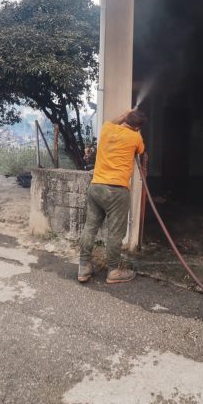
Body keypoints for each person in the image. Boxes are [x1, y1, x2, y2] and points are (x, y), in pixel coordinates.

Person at [78, 109, 147, 284]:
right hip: (117, 191)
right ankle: (114, 271)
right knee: (116, 233)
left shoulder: (107, 128)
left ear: (125, 118)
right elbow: (142, 152)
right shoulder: (136, 137)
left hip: (96, 187)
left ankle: (83, 266)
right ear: (138, 127)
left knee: (90, 227)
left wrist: (125, 113)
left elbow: (116, 120)